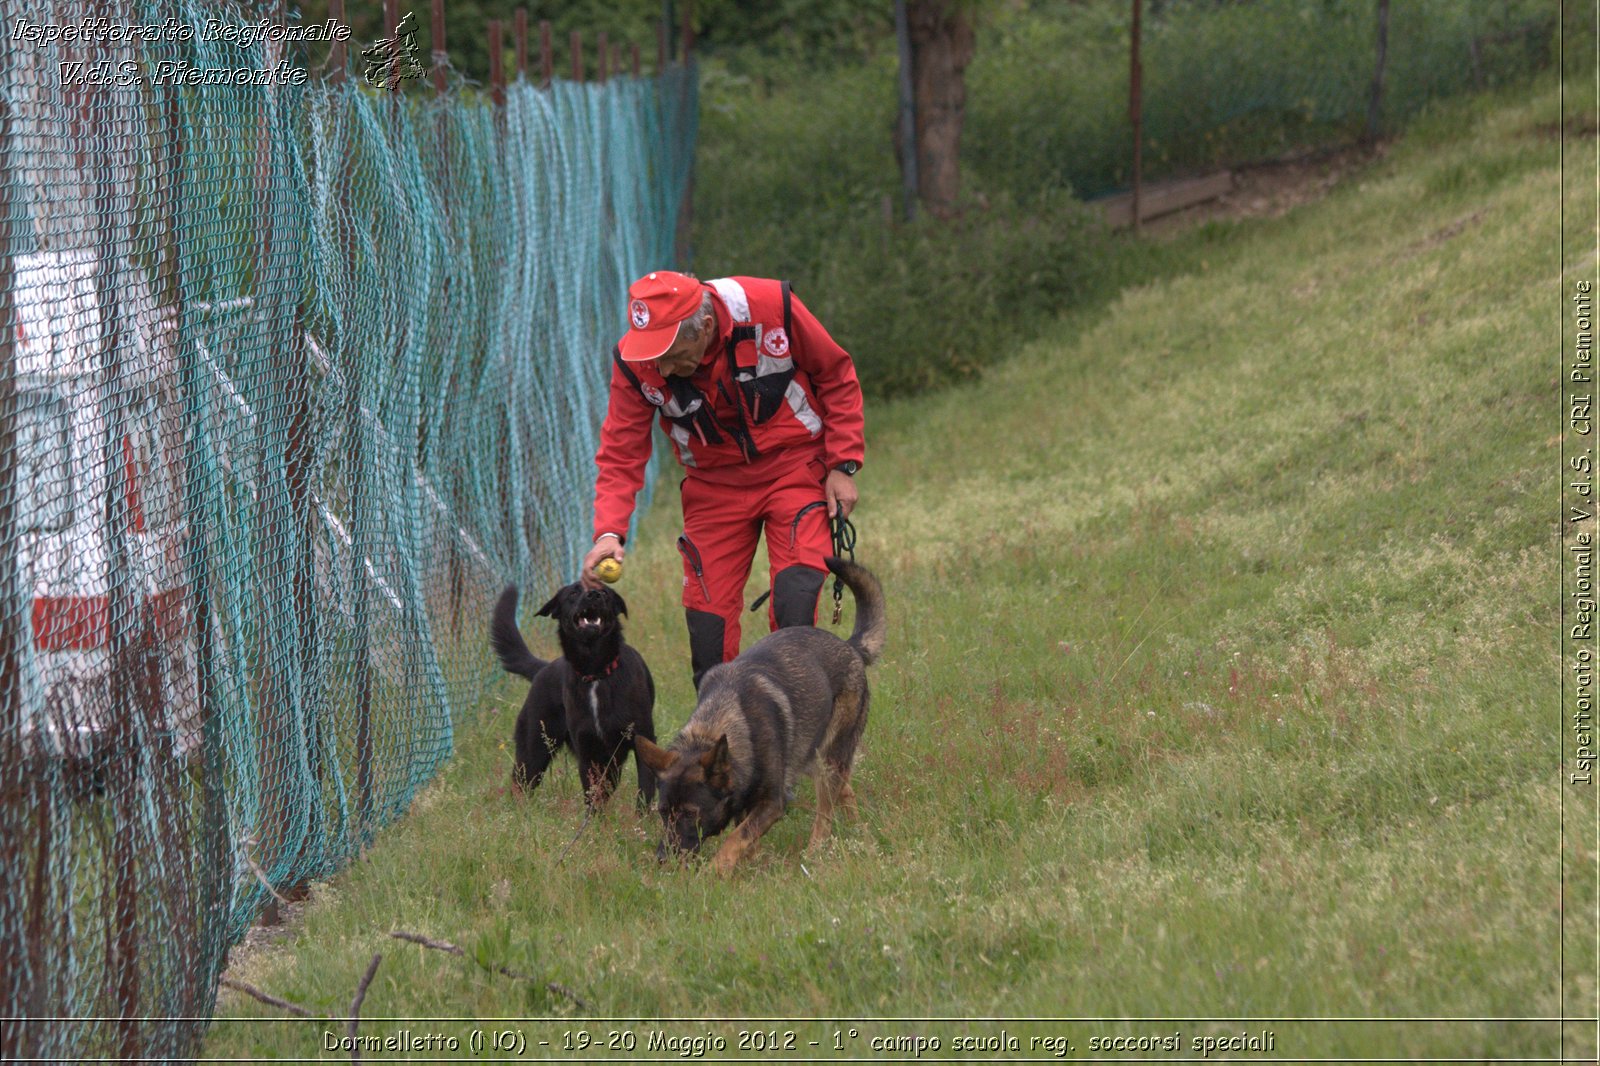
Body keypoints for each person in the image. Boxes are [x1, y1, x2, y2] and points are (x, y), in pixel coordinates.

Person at [580, 270, 865, 689]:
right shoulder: (635, 364)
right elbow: (622, 452)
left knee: (796, 600)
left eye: (670, 352)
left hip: (794, 466)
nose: (660, 366)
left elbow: (835, 374)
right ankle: (721, 747)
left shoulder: (769, 307)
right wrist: (609, 532)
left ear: (706, 327)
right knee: (708, 639)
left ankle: (791, 730)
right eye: (651, 353)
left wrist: (843, 465)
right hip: (713, 487)